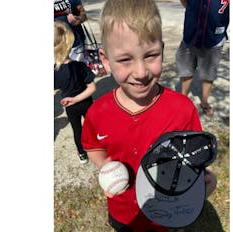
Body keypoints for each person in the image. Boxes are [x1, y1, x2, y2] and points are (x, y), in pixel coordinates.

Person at [81, 0, 217, 231]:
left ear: (162, 50)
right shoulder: (97, 112)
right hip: (124, 214)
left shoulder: (182, 108)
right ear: (105, 60)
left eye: (151, 55)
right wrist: (105, 166)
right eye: (125, 59)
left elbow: (195, 155)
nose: (141, 72)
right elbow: (93, 146)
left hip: (168, 212)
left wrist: (208, 177)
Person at [176, 0, 229, 116]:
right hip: (191, 35)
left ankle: (204, 101)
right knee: (186, 69)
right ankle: (182, 98)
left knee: (208, 73)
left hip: (214, 38)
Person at [54, 20, 96, 164]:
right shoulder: (80, 65)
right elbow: (92, 88)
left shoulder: (54, 71)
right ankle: (96, 148)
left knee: (77, 130)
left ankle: (82, 153)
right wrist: (77, 98)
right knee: (92, 126)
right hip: (86, 102)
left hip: (70, 106)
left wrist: (72, 99)